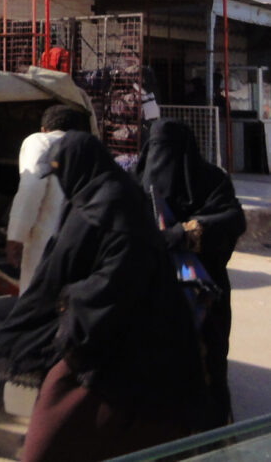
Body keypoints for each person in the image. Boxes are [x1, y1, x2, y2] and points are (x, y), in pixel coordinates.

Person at [0, 133, 208, 461]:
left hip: (110, 347)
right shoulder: (110, 196)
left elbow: (106, 279)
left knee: (53, 440)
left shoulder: (101, 208)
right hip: (131, 344)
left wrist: (69, 304)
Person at [135, 118, 246, 429]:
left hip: (205, 295)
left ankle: (213, 439)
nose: (162, 160)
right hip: (152, 295)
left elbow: (233, 219)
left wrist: (184, 233)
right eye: (157, 150)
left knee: (208, 369)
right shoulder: (135, 180)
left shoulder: (212, 181)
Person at [1, 105, 90, 417]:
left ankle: (34, 402)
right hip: (80, 246)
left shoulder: (39, 143)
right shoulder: (89, 149)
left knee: (36, 314)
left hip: (45, 245)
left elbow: (31, 188)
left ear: (44, 128)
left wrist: (16, 236)